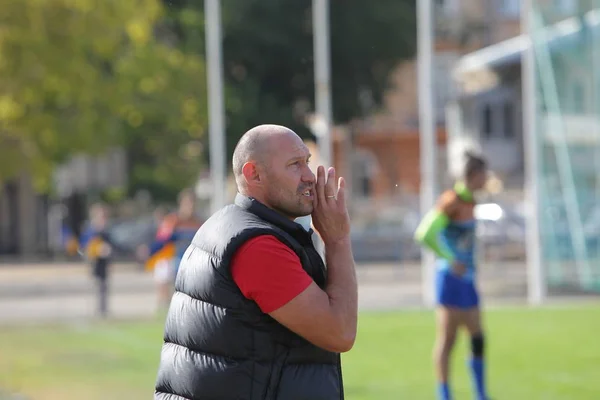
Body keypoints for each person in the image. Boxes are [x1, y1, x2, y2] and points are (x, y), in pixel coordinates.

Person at [154, 124, 358, 400]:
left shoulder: (230, 224)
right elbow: (339, 332)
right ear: (254, 174)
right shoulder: (258, 246)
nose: (310, 176)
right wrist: (338, 241)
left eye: (307, 162)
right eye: (295, 165)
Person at [414, 151, 491, 400]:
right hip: (449, 280)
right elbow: (425, 233)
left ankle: (480, 394)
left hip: (468, 280)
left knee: (478, 337)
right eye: (483, 174)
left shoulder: (472, 201)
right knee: (448, 339)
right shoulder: (452, 200)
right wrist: (450, 259)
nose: (486, 179)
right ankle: (444, 394)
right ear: (474, 175)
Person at [146, 190, 203, 311]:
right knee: (166, 278)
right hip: (172, 260)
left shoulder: (198, 222)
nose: (190, 207)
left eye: (193, 204)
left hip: (191, 262)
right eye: (188, 203)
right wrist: (149, 252)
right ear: (181, 204)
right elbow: (161, 241)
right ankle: (166, 306)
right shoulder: (173, 221)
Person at [79, 203, 114, 318]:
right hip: (94, 262)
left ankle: (102, 309)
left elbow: (110, 246)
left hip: (103, 262)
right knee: (95, 284)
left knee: (104, 286)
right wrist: (96, 250)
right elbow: (85, 246)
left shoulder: (105, 231)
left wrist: (108, 253)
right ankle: (94, 309)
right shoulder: (91, 230)